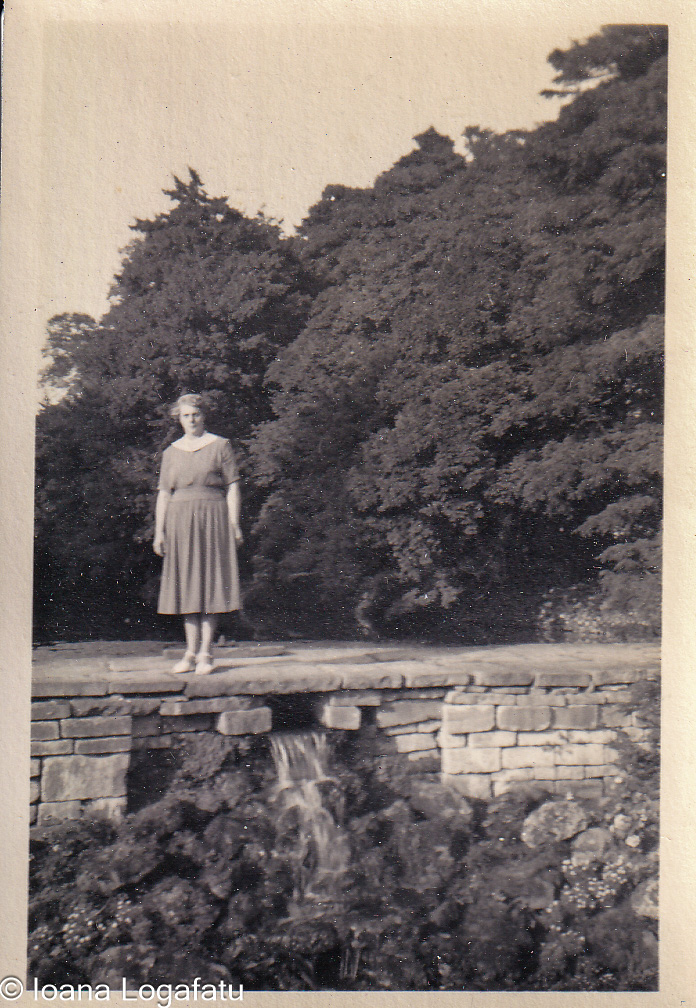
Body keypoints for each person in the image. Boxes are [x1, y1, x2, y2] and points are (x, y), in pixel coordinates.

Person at [153, 393, 242, 674]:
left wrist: (234, 523)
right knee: (187, 585)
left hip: (214, 517)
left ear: (204, 416)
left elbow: (233, 488)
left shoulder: (220, 445)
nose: (191, 420)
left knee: (211, 583)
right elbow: (164, 495)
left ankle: (206, 653)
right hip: (180, 520)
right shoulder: (171, 452)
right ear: (178, 419)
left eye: (196, 414)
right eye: (186, 415)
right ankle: (190, 653)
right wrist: (159, 532)